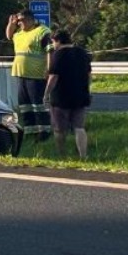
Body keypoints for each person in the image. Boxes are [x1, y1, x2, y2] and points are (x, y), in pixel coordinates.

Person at [6, 9, 53, 144]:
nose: (19, 23)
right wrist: (11, 23)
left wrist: (49, 69)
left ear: (30, 20)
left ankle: (44, 133)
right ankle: (30, 133)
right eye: (18, 21)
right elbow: (9, 36)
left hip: (36, 75)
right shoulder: (19, 34)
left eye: (21, 20)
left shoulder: (42, 32)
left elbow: (50, 51)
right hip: (22, 75)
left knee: (38, 106)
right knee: (25, 106)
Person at [44, 30, 92, 159]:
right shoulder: (82, 53)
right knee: (79, 127)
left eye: (53, 42)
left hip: (61, 97)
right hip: (80, 95)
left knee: (59, 129)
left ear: (58, 41)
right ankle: (83, 155)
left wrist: (46, 94)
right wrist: (86, 89)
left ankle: (62, 155)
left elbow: (53, 77)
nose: (53, 45)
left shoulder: (58, 55)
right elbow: (88, 75)